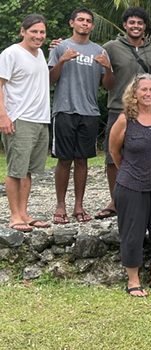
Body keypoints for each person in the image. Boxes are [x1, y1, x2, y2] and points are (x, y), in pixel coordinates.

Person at [108, 73, 151, 297]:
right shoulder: (125, 119)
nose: (148, 94)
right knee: (132, 233)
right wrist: (128, 171)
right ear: (133, 93)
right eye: (143, 89)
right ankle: (133, 280)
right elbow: (114, 152)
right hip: (131, 185)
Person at [48, 7, 114, 224]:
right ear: (72, 23)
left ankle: (79, 205)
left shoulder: (100, 51)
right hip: (65, 110)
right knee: (64, 160)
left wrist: (108, 68)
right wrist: (62, 60)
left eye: (88, 21)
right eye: (81, 20)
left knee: (82, 159)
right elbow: (50, 79)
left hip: (90, 112)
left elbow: (109, 85)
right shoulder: (61, 47)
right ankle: (60, 205)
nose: (85, 23)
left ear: (92, 26)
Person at [99, 7, 151, 220]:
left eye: (140, 23)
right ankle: (116, 198)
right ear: (125, 25)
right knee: (112, 156)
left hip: (147, 113)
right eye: (131, 23)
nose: (136, 26)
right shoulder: (111, 47)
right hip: (119, 109)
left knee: (146, 153)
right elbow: (105, 83)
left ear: (145, 26)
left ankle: (144, 194)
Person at [0, 14, 51, 233]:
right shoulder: (11, 53)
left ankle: (24, 213)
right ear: (23, 31)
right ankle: (14, 216)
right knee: (15, 170)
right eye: (34, 32)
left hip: (40, 119)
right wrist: (3, 116)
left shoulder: (40, 54)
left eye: (42, 32)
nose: (38, 36)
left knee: (28, 171)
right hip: (19, 119)